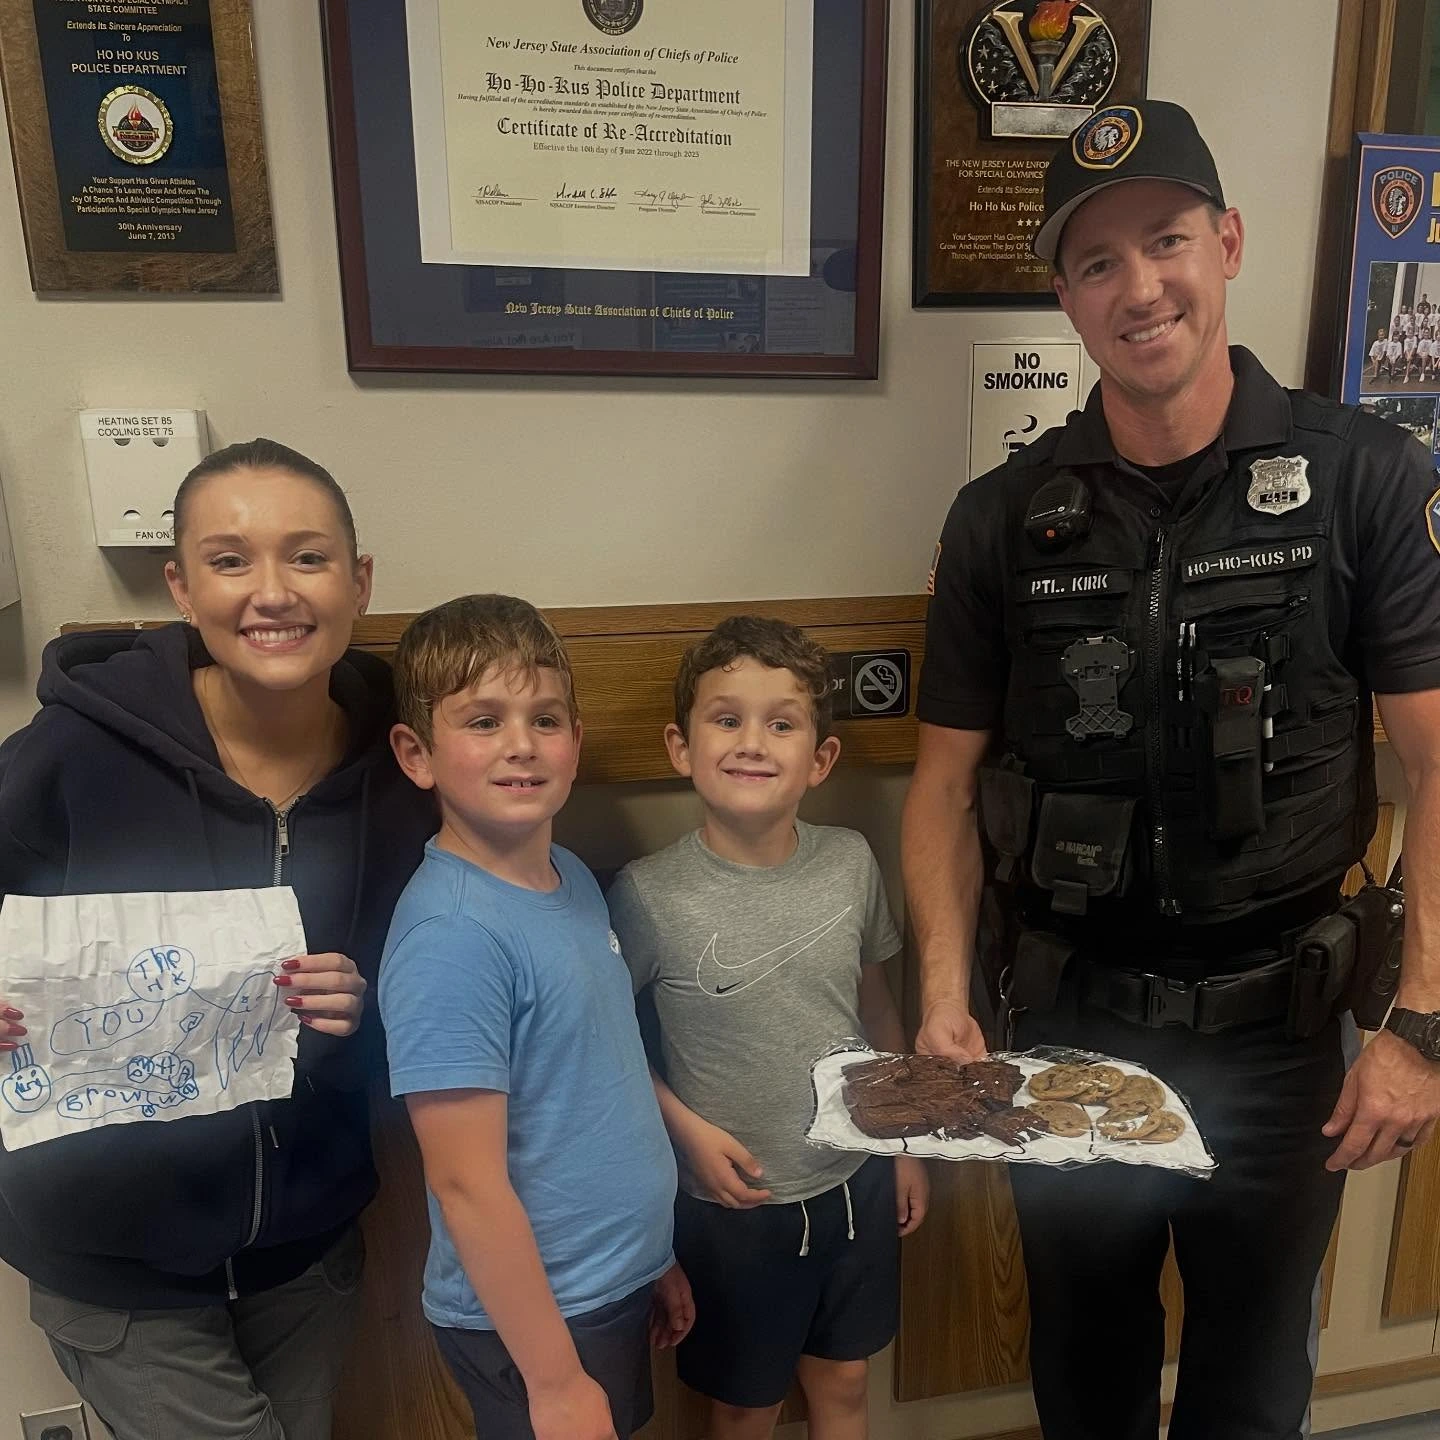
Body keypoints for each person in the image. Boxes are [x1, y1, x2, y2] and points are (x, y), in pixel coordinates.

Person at [903, 99, 1440, 1440]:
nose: (1141, 286)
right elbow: (940, 792)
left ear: (1229, 243)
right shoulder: (1004, 520)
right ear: (1067, 300)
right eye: (1097, 261)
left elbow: (1439, 770)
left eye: (1168, 239)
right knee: (1084, 1377)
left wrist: (1422, 1027)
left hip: (1281, 1039)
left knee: (1251, 1391)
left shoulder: (1366, 479)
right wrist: (938, 997)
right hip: (1072, 1024)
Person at [0, 438, 435, 1439]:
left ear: (360, 581)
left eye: (308, 557)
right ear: (182, 589)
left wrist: (366, 1008)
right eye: (231, 560)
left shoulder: (403, 778)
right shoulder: (75, 754)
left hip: (308, 1250)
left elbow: (436, 991)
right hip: (112, 1263)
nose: (271, 591)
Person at [379, 594, 692, 1440]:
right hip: (536, 1324)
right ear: (417, 754)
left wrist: (651, 1257)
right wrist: (552, 1380)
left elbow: (604, 1079)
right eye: (483, 721)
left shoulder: (571, 877)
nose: (521, 744)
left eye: (545, 718)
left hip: (607, 1287)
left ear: (575, 743)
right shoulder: (452, 937)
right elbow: (464, 1183)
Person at [608, 616, 927, 1440]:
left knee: (846, 1384)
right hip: (733, 1203)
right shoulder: (647, 895)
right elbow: (603, 1046)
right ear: (681, 746)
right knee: (747, 1406)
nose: (753, 743)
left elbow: (877, 1003)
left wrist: (902, 1144)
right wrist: (685, 1135)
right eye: (727, 719)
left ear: (819, 759)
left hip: (854, 1182)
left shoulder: (851, 861)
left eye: (781, 723)